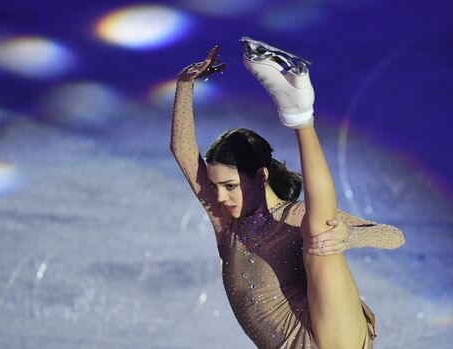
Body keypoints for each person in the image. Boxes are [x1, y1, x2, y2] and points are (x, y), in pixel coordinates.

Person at [170, 42, 404, 349]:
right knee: (318, 228)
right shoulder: (228, 229)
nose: (221, 198)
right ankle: (299, 111)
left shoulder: (293, 217)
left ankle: (300, 115)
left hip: (333, 335)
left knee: (321, 229)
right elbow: (183, 151)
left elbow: (394, 236)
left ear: (260, 176)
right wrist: (185, 84)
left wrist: (348, 236)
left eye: (230, 186)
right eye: (215, 187)